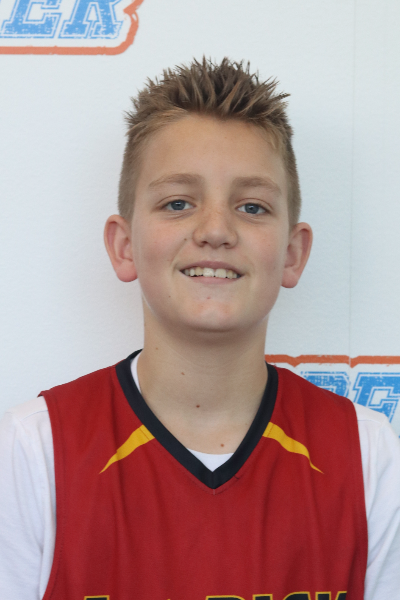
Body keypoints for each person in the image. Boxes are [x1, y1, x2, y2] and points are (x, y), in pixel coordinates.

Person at [0, 58, 399, 600]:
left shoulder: (367, 453)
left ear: (292, 253)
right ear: (124, 246)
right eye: (178, 203)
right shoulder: (35, 449)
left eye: (252, 206)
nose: (215, 230)